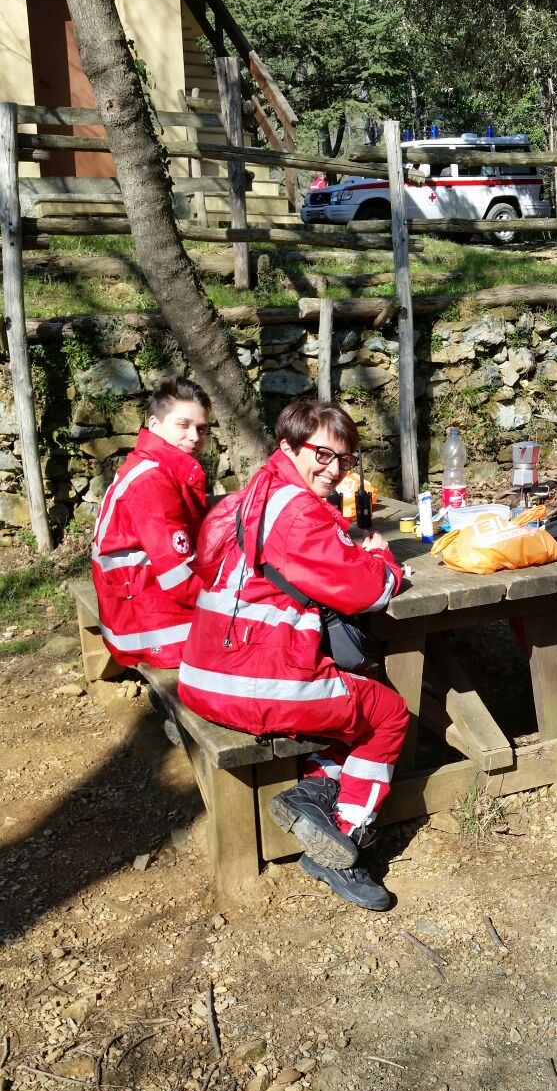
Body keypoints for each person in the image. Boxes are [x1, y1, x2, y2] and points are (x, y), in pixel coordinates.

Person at [178, 400, 410, 912]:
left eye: (345, 460)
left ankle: (315, 794)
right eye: (323, 455)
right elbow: (368, 592)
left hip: (202, 670)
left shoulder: (248, 497)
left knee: (343, 687)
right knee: (387, 713)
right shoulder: (298, 511)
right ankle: (344, 846)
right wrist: (381, 557)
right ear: (287, 447)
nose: (334, 469)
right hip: (254, 686)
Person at [91, 377, 210, 669]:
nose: (194, 436)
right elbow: (180, 578)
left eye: (201, 428)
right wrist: (232, 597)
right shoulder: (152, 481)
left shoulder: (154, 466)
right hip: (150, 628)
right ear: (154, 425)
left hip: (136, 607)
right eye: (183, 425)